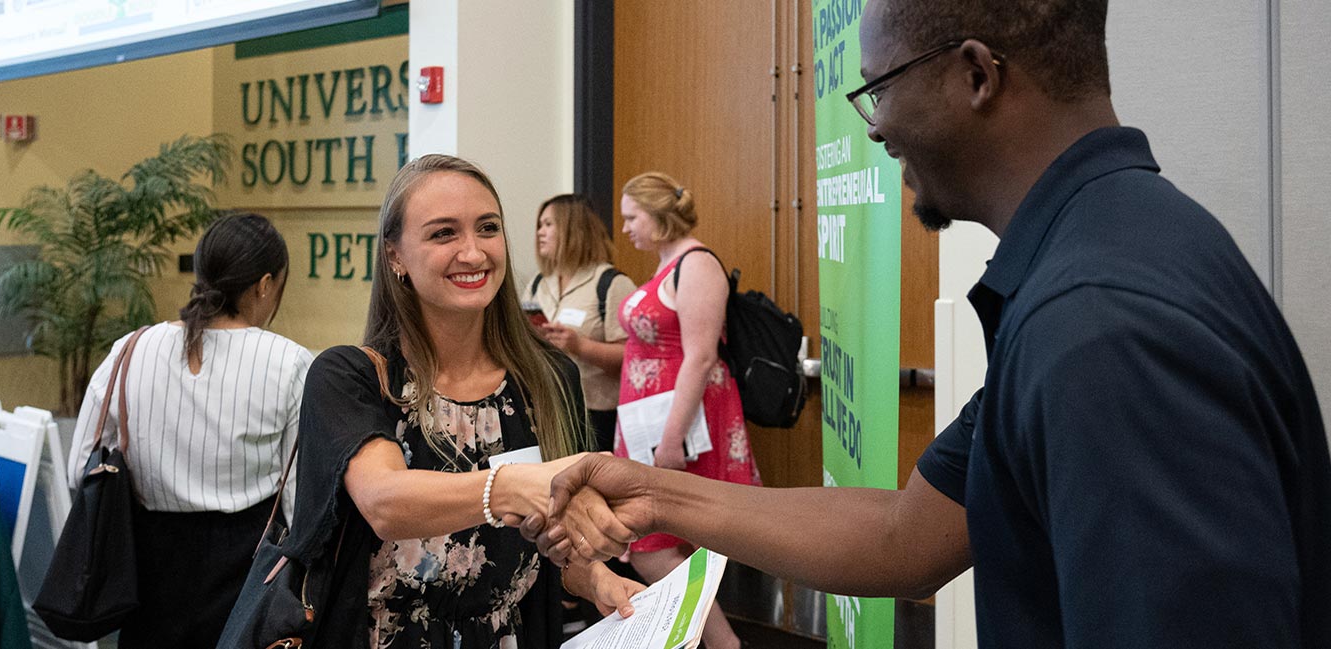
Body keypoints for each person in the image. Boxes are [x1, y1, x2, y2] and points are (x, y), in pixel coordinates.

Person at [528, 1, 1331, 648]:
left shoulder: (1100, 326)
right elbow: (904, 536)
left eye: (882, 88)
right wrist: (656, 492)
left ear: (976, 74)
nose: (875, 128)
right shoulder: (1103, 248)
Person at [285, 154, 642, 649]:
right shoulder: (352, 378)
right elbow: (386, 501)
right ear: (395, 257)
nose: (473, 253)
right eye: (443, 234)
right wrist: (513, 487)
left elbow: (554, 542)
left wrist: (597, 577)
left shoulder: (547, 379)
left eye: (488, 228)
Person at [66, 213, 313, 648]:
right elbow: (298, 498)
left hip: (147, 576)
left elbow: (80, 469)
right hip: (246, 577)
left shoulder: (130, 348)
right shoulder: (289, 362)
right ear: (264, 284)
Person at [613, 172, 760, 649]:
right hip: (650, 423)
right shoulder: (665, 265)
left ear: (658, 215)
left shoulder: (696, 265)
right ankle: (709, 641)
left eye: (632, 217)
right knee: (664, 539)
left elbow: (700, 356)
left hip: (685, 425)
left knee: (651, 545)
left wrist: (672, 438)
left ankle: (723, 643)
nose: (626, 228)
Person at [523, 194, 637, 453]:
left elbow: (633, 357)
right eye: (539, 225)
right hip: (547, 408)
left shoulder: (611, 283)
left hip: (597, 415)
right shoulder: (539, 283)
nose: (540, 232)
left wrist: (578, 345)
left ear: (573, 228)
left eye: (549, 224)